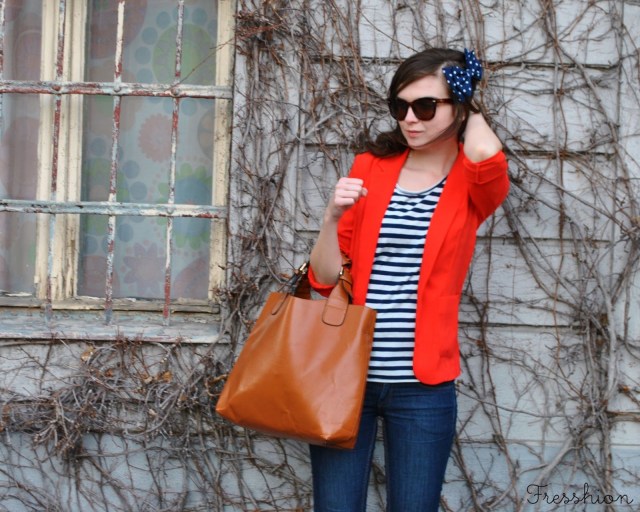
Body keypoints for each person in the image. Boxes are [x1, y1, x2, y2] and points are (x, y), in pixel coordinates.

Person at [306, 48, 510, 511]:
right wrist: (331, 217)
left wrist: (471, 101)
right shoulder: (369, 168)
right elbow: (324, 279)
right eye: (400, 107)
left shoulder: (472, 181)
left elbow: (484, 151)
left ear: (458, 106)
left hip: (423, 386)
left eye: (426, 106)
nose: (410, 119)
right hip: (345, 376)